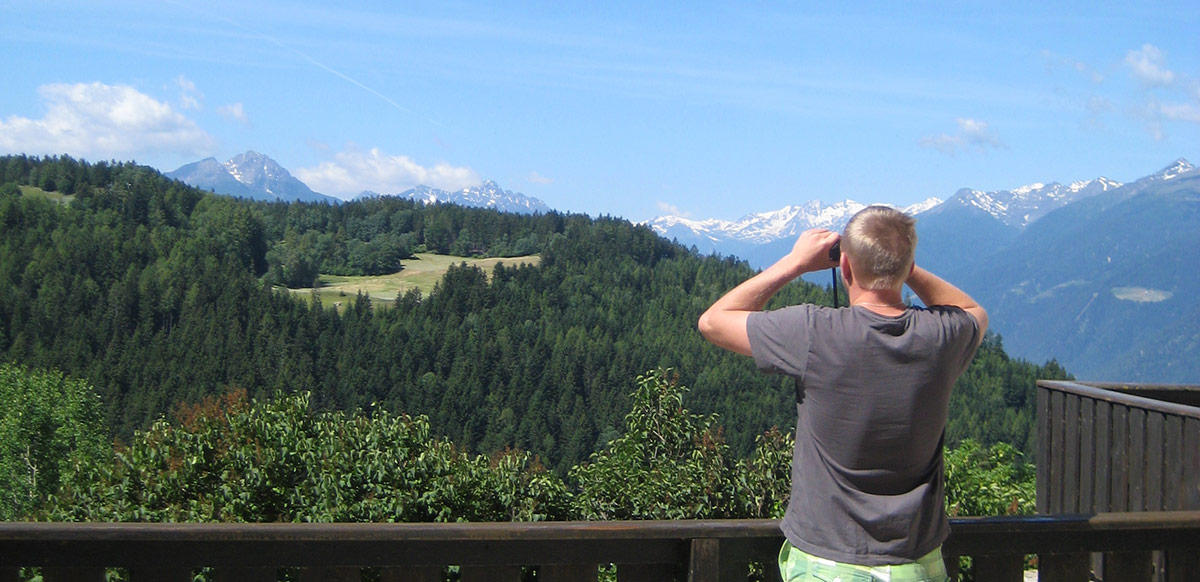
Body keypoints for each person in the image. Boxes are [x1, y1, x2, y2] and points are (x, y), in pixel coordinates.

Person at [698, 205, 987, 582]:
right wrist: (902, 266)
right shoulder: (941, 336)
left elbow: (713, 322)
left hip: (826, 564)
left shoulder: (814, 332)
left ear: (845, 268)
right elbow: (972, 309)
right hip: (915, 563)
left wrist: (794, 263)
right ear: (906, 265)